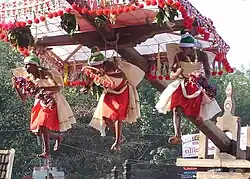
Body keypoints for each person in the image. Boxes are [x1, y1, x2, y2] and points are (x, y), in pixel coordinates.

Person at [155, 33, 221, 144]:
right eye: (182, 48)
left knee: (197, 113)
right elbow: (171, 75)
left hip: (197, 84)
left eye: (185, 49)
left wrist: (201, 79)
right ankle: (177, 135)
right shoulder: (178, 56)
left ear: (191, 48)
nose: (183, 51)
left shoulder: (202, 55)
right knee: (175, 108)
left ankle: (202, 132)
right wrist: (177, 73)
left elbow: (208, 73)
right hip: (181, 83)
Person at [14, 54, 76, 158]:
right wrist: (17, 87)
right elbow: (24, 98)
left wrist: (43, 90)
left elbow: (57, 88)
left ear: (35, 65)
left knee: (42, 124)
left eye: (27, 65)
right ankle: (57, 137)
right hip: (40, 102)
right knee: (39, 131)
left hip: (51, 101)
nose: (25, 68)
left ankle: (46, 152)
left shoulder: (46, 74)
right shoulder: (28, 79)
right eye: (25, 65)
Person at [82, 46, 144, 150]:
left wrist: (106, 74)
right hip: (110, 92)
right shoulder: (92, 70)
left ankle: (117, 141)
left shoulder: (111, 65)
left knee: (118, 116)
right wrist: (87, 87)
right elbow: (90, 79)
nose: (97, 68)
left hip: (122, 91)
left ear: (102, 63)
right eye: (95, 66)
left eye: (98, 66)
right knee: (105, 117)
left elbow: (122, 76)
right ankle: (120, 137)